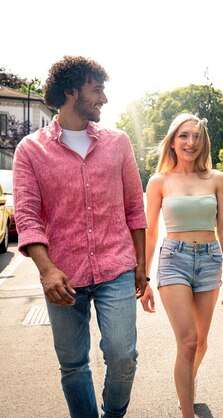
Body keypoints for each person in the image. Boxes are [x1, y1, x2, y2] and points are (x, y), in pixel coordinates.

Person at [12, 56, 147, 418]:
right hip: (62, 275)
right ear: (71, 91)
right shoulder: (30, 149)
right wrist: (46, 269)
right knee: (73, 364)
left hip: (116, 267)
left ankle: (114, 414)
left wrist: (141, 264)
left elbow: (135, 207)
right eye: (97, 89)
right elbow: (26, 216)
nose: (103, 98)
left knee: (123, 356)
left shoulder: (118, 143)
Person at [139, 114, 223, 417]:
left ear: (204, 141)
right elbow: (151, 231)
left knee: (201, 343)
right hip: (174, 260)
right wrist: (143, 277)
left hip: (209, 259)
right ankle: (186, 412)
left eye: (196, 136)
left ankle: (186, 381)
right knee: (188, 341)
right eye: (183, 136)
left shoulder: (218, 179)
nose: (190, 142)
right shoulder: (159, 182)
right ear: (172, 140)